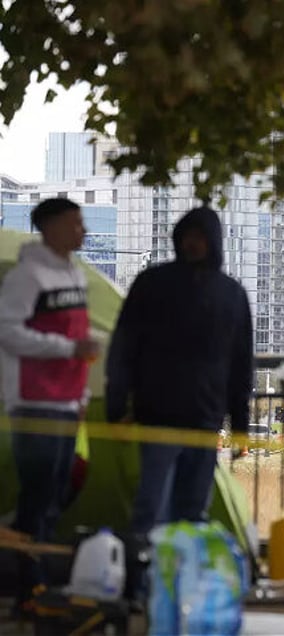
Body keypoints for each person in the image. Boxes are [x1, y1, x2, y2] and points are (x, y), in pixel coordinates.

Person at [106, 206, 253, 599]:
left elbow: (242, 365)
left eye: (200, 236)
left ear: (214, 242)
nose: (193, 243)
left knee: (191, 513)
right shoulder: (153, 285)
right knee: (151, 510)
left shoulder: (232, 296)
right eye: (187, 235)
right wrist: (116, 407)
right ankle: (140, 590)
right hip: (158, 417)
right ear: (177, 239)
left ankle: (178, 590)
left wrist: (241, 426)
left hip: (205, 422)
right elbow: (124, 349)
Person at [0, 198, 100, 614]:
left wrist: (81, 397)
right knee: (38, 496)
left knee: (58, 491)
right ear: (50, 227)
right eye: (74, 224)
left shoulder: (74, 275)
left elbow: (79, 336)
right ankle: (29, 588)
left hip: (65, 401)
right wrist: (66, 348)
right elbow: (9, 333)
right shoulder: (28, 276)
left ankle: (34, 575)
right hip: (35, 400)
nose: (82, 231)